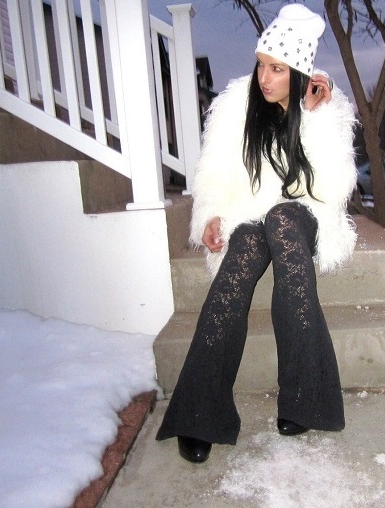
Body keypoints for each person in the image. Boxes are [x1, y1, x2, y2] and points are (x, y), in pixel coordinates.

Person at [155, 4, 358, 463]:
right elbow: (216, 175)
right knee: (246, 240)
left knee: (282, 220)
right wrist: (211, 216)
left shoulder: (326, 109)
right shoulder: (236, 106)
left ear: (298, 73)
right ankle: (199, 412)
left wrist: (313, 118)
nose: (264, 78)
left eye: (277, 69)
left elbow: (329, 188)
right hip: (248, 213)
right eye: (261, 65)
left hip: (303, 213)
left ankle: (306, 397)